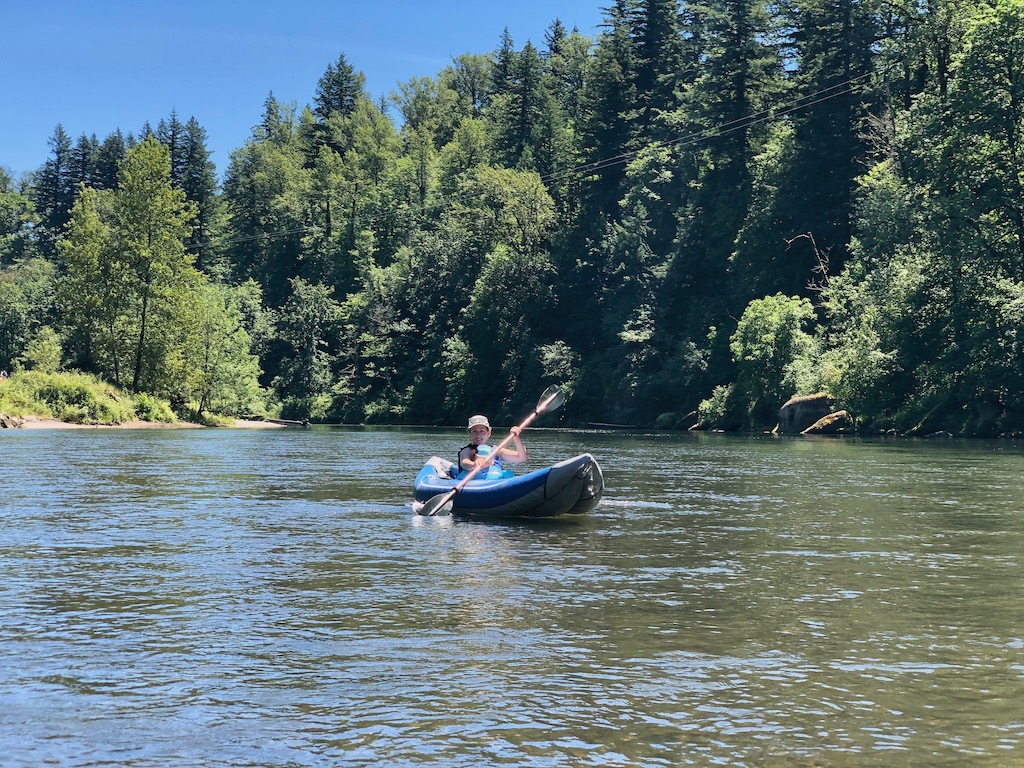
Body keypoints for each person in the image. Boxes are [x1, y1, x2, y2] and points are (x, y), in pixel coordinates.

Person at [458, 414, 527, 479]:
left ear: (489, 433)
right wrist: (474, 464)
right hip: (473, 483)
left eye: (482, 431)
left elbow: (521, 457)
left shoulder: (496, 451)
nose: (478, 435)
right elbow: (464, 462)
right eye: (474, 431)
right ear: (470, 433)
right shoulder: (467, 451)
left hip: (495, 482)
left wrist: (516, 438)